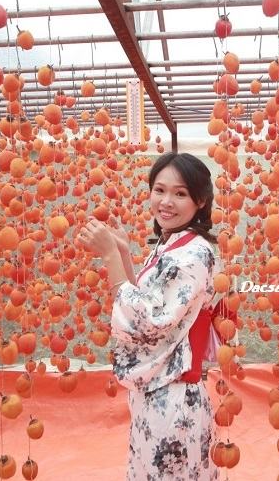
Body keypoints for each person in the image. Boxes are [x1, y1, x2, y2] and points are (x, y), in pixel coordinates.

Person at [76, 152, 221, 481]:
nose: (166, 202)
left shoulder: (195, 254)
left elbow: (148, 321)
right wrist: (124, 254)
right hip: (157, 393)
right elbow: (145, 300)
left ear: (200, 201)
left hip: (174, 396)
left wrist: (111, 256)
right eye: (159, 190)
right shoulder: (172, 244)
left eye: (180, 193)